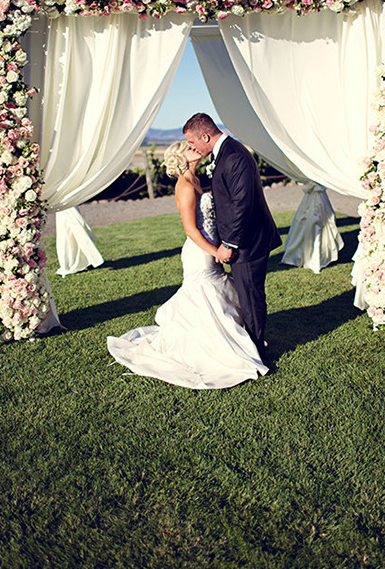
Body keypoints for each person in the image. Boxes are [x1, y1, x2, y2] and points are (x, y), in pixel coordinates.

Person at [107, 140, 268, 389]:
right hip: (200, 251)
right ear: (179, 157)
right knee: (206, 294)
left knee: (215, 295)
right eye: (188, 147)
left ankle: (222, 341)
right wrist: (216, 251)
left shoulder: (196, 181)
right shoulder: (184, 186)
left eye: (193, 145)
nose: (194, 148)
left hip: (211, 245)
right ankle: (212, 348)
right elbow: (191, 230)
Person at [183, 113, 282, 357]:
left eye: (192, 142)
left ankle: (257, 350)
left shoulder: (234, 156)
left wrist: (228, 243)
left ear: (205, 136)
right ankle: (251, 341)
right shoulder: (224, 153)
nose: (190, 147)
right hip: (243, 240)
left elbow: (242, 204)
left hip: (247, 242)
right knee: (247, 294)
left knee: (250, 297)